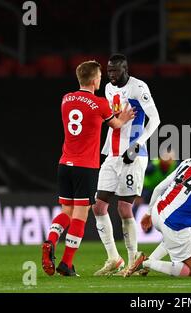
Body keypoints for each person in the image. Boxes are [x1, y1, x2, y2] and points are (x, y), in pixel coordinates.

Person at [41, 60, 135, 276]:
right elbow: (116, 125)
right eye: (100, 76)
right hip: (85, 166)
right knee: (80, 216)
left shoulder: (66, 99)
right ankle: (66, 263)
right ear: (94, 80)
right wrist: (125, 116)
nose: (102, 79)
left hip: (65, 163)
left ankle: (51, 239)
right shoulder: (101, 103)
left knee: (66, 211)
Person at [93, 54, 161, 276]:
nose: (111, 75)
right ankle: (114, 258)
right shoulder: (108, 89)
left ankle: (133, 260)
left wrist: (137, 145)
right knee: (99, 206)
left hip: (134, 155)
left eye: (115, 71)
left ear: (125, 69)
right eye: (109, 71)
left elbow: (156, 119)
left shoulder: (139, 88)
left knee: (124, 208)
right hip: (112, 154)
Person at [125, 139, 191, 277]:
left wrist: (149, 213)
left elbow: (158, 188)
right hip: (174, 223)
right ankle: (146, 262)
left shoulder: (190, 161)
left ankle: (149, 262)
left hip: (158, 211)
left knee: (173, 238)